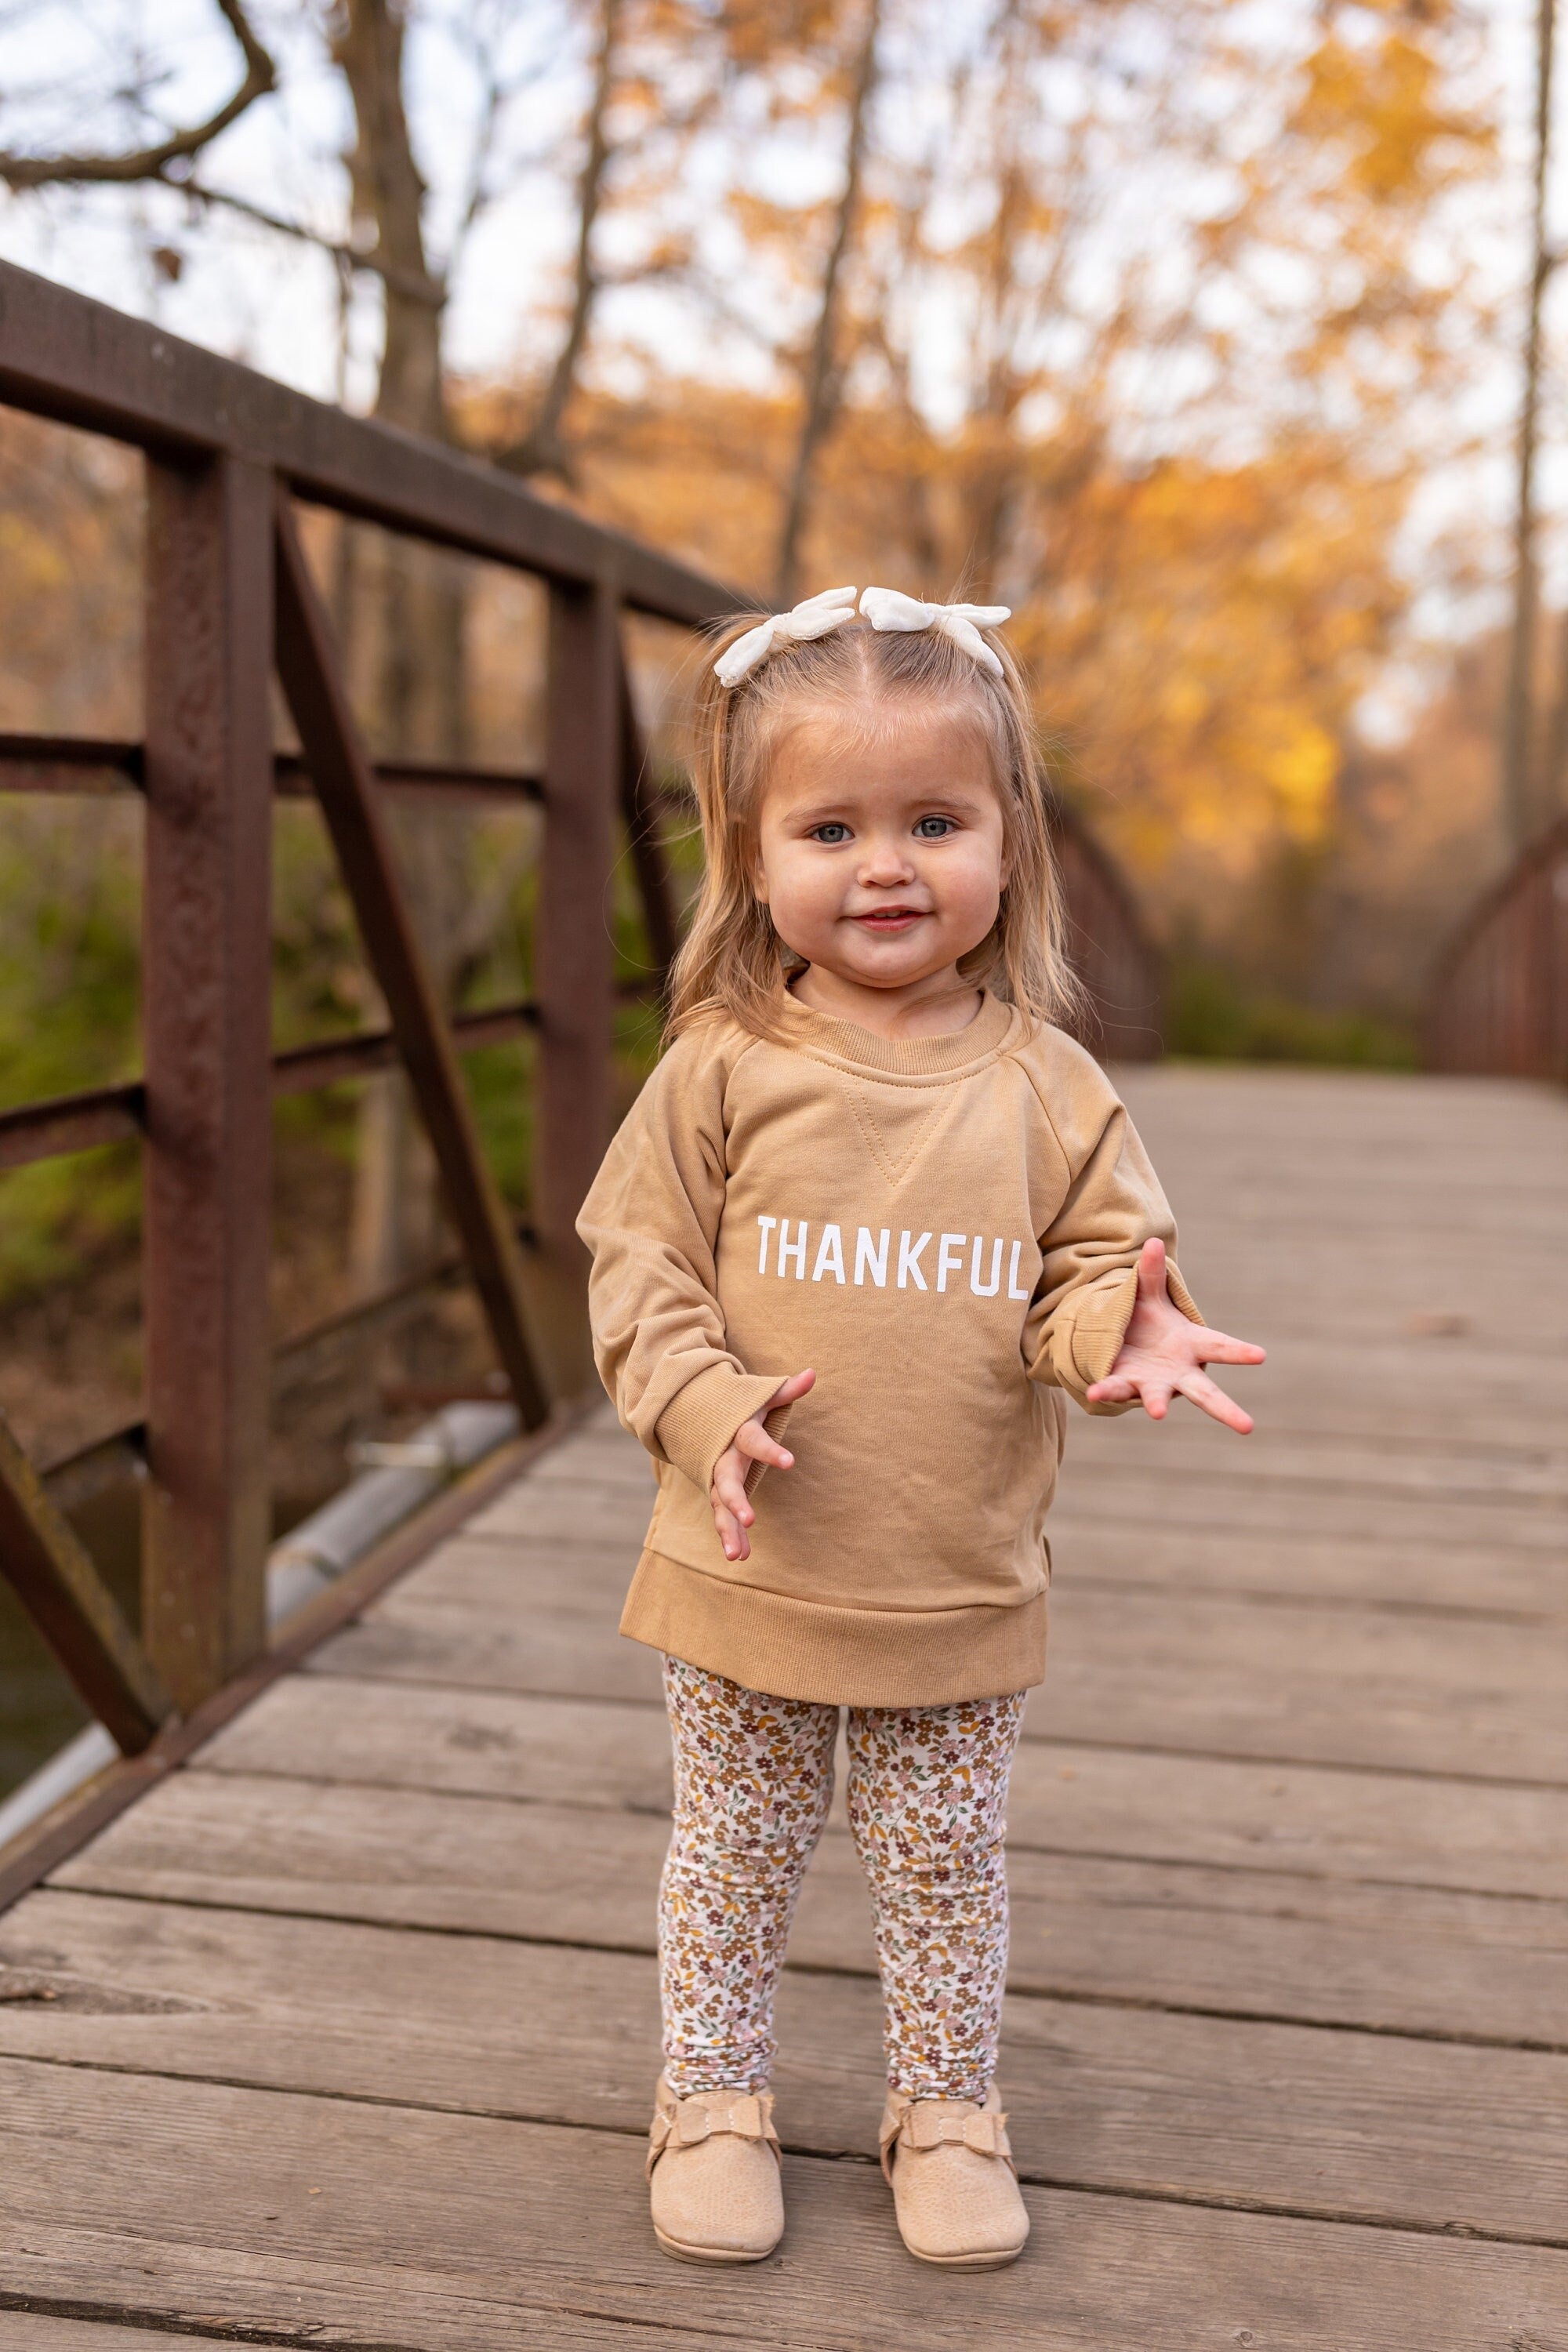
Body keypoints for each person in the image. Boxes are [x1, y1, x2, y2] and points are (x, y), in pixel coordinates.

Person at [577, 584, 1265, 2270]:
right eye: (831, 826)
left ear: (1009, 842)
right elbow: (636, 1261)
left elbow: (1093, 1269)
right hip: (748, 1570)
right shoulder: (724, 1066)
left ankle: (946, 2108)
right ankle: (712, 2098)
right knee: (733, 1859)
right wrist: (700, 1400)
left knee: (945, 1870)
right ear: (750, 858)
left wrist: (1125, 1326)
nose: (885, 865)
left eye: (933, 821)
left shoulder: (1044, 1086)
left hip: (951, 1572)